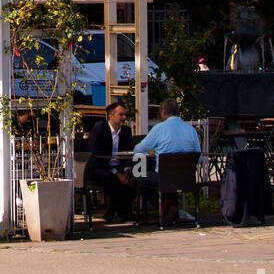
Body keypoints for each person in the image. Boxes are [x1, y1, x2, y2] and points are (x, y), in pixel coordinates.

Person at [132, 96, 201, 225]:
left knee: (137, 177)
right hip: (186, 179)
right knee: (167, 179)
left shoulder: (159, 129)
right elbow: (199, 157)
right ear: (179, 112)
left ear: (163, 112)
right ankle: (170, 208)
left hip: (164, 178)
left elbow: (139, 149)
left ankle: (166, 208)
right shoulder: (191, 130)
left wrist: (152, 152)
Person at [85, 101, 136, 222]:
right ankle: (123, 212)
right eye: (120, 114)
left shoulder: (126, 131)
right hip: (100, 167)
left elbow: (129, 153)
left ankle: (112, 211)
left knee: (139, 177)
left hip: (119, 167)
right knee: (111, 180)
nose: (124, 117)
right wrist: (117, 174)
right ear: (111, 116)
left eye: (125, 115)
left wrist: (127, 172)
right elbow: (97, 155)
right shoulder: (100, 130)